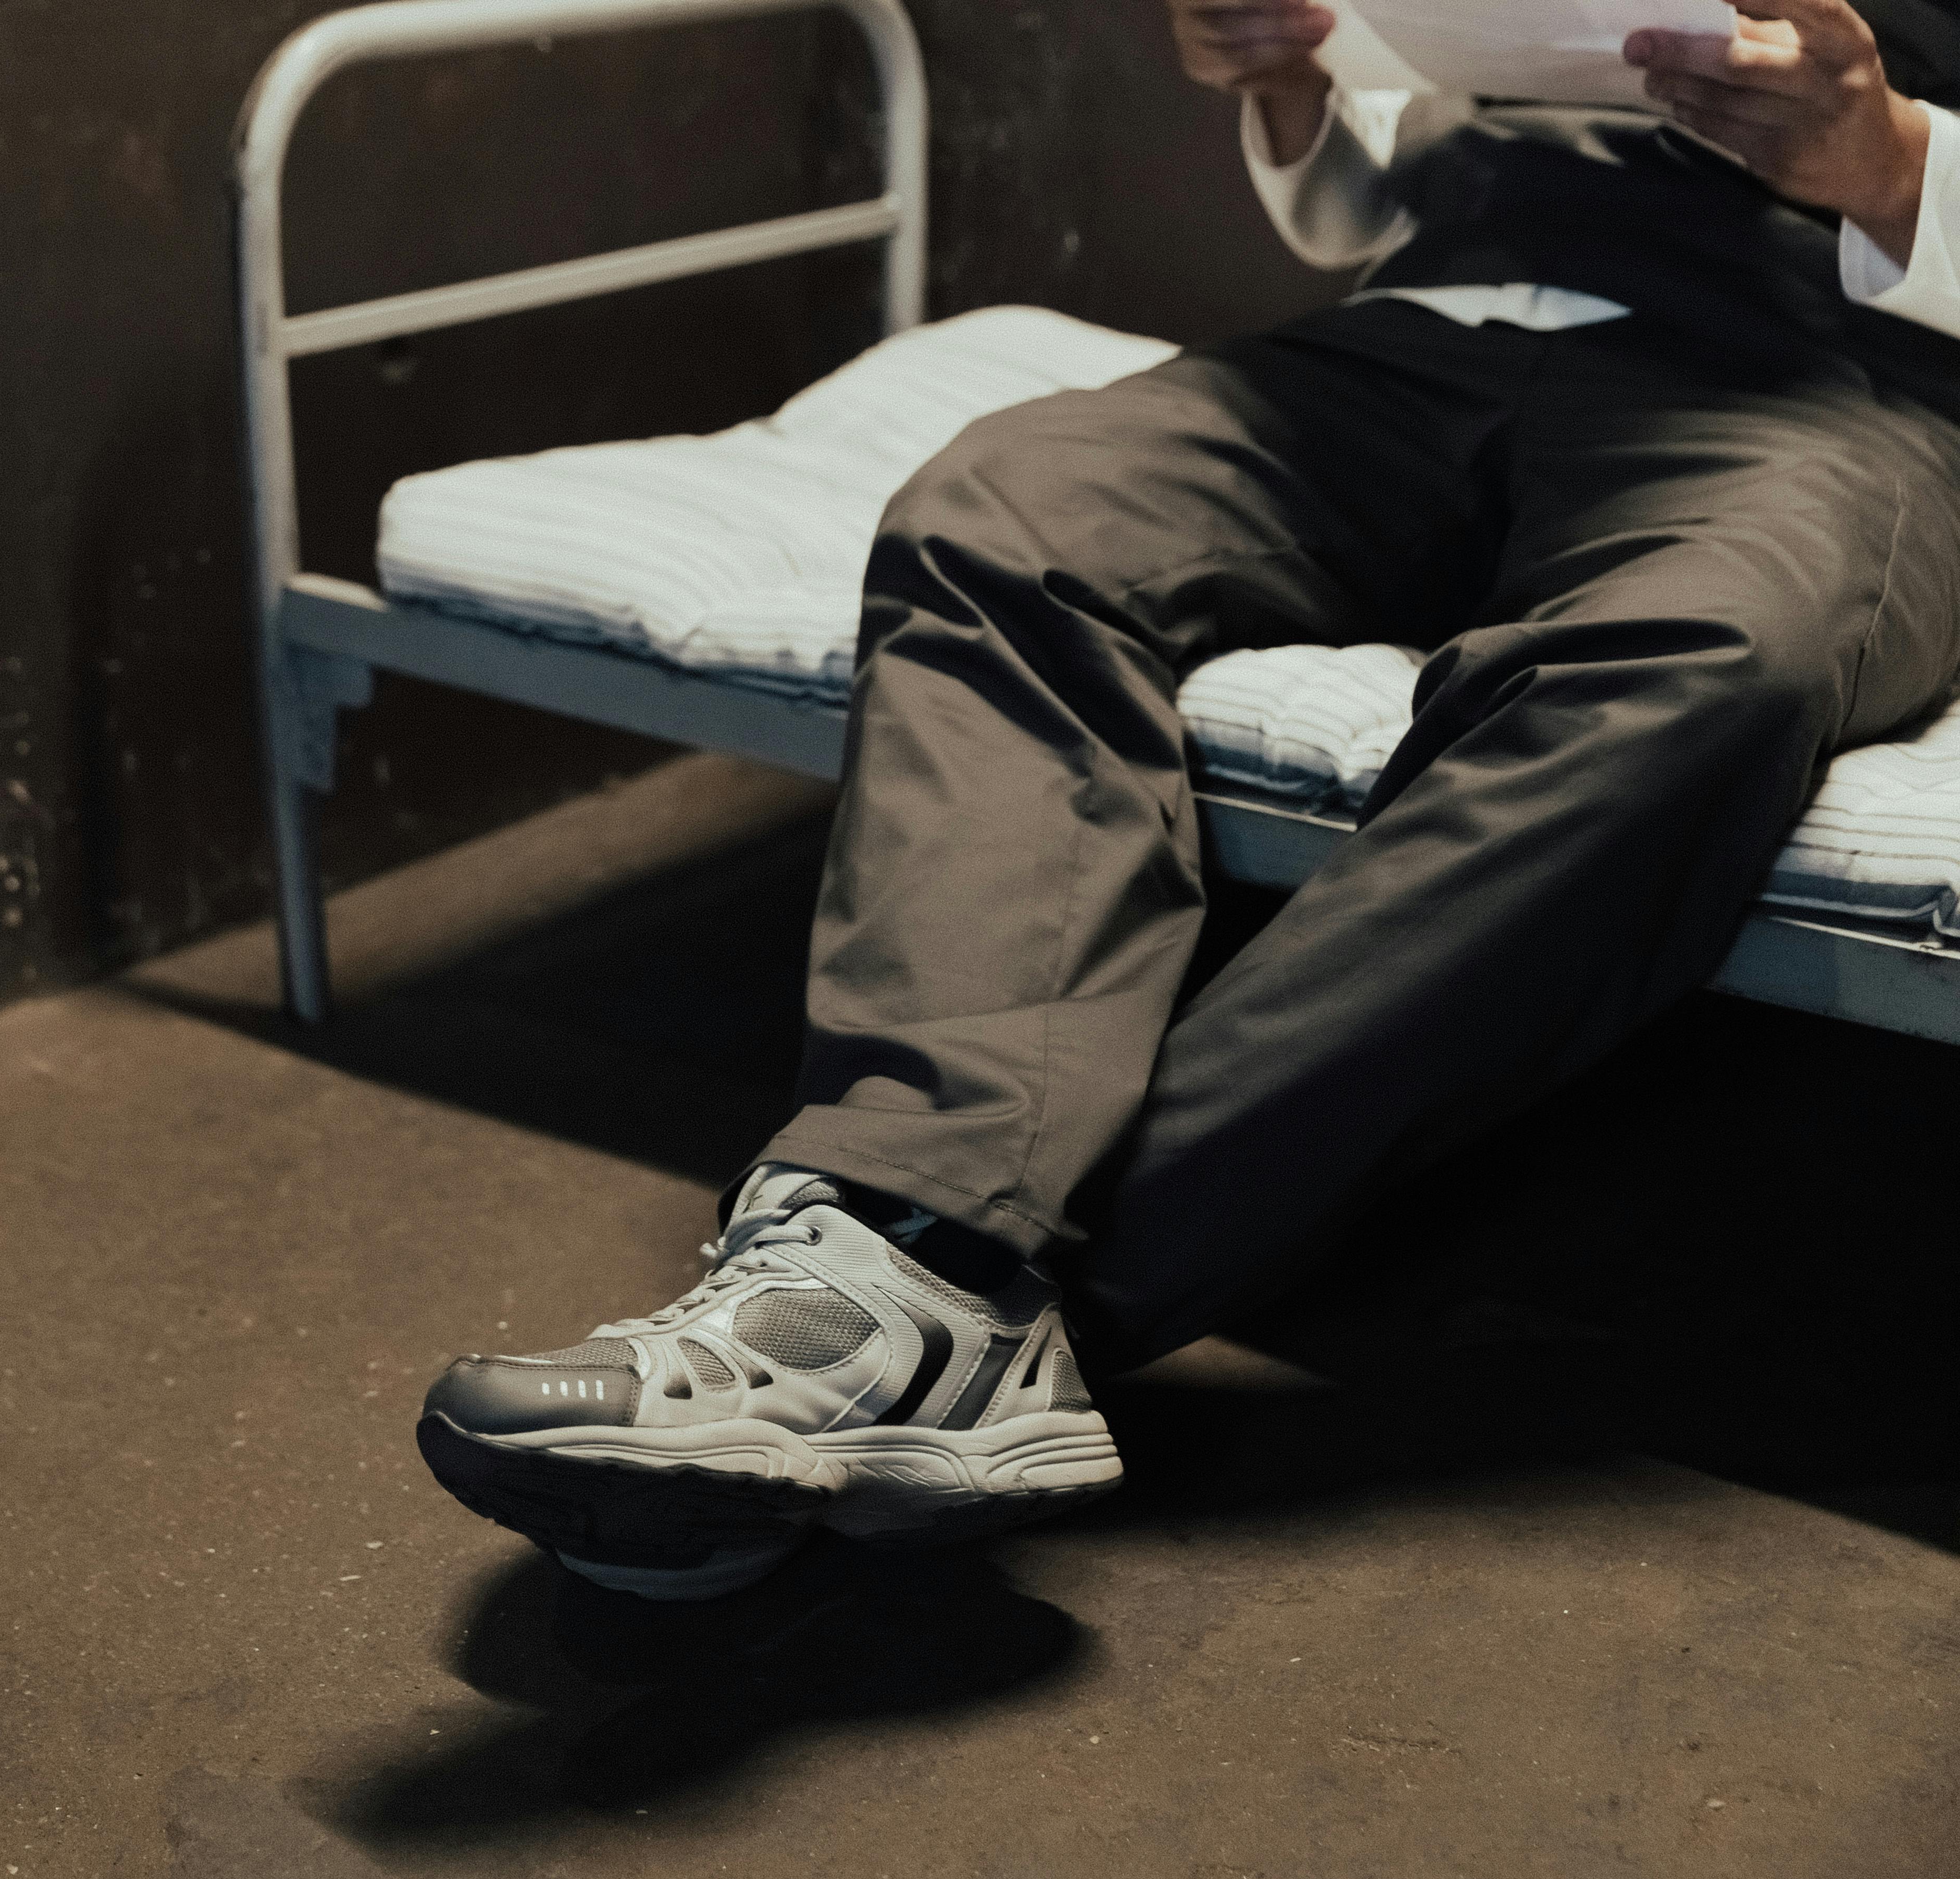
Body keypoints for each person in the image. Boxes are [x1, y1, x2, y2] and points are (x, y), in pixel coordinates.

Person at [416, 0, 1960, 1600]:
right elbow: (1374, 183)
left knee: (1703, 663)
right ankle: (909, 1296)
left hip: (1843, 376)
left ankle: (909, 1287)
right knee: (1001, 507)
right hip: (1424, 334)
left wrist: (1894, 160)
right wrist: (1290, 79)